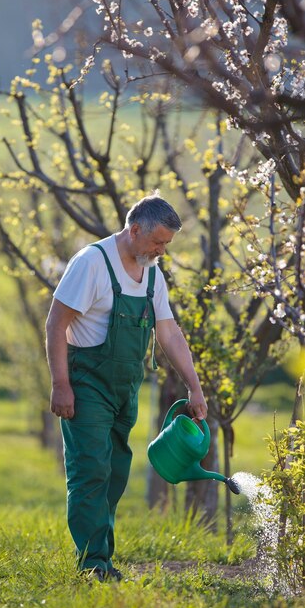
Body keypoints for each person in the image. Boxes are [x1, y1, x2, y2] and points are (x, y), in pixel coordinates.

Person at [45, 193, 207, 582]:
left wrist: (195, 387)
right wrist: (60, 384)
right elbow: (55, 324)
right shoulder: (92, 264)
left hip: (125, 387)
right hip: (86, 383)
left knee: (116, 471)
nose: (162, 251)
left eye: (167, 244)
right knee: (91, 470)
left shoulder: (151, 273)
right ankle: (93, 564)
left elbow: (168, 333)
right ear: (135, 230)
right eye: (158, 242)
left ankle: (101, 556)